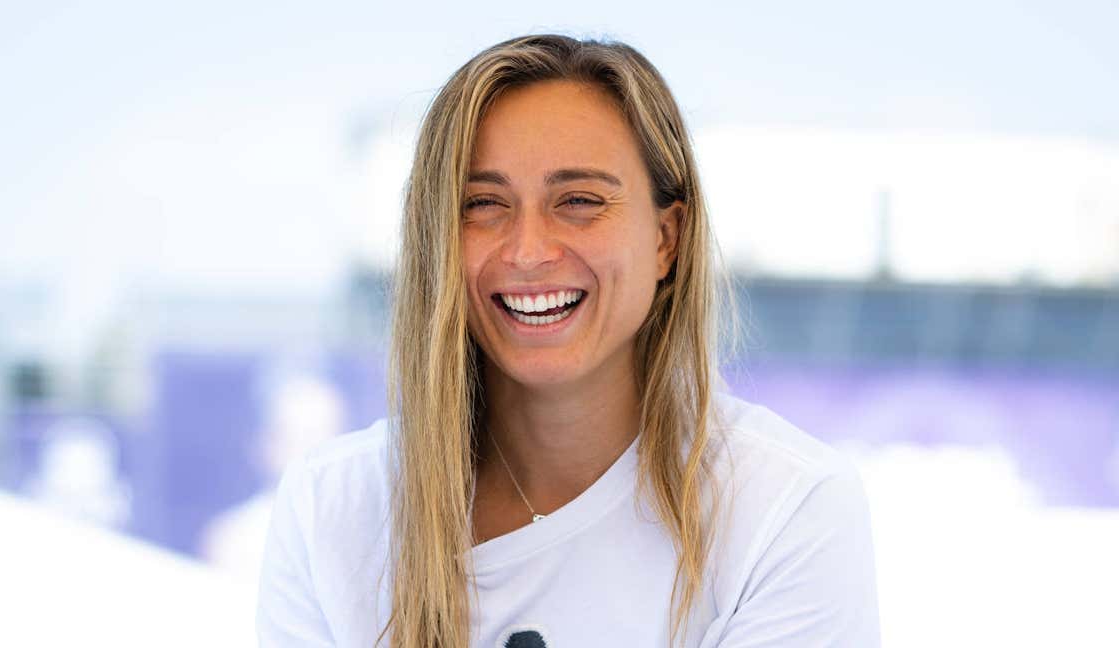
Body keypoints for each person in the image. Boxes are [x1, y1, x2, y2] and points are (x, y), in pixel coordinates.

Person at [256, 34, 881, 647]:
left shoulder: (785, 509)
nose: (529, 251)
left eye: (579, 201)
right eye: (482, 204)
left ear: (667, 238)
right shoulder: (332, 509)